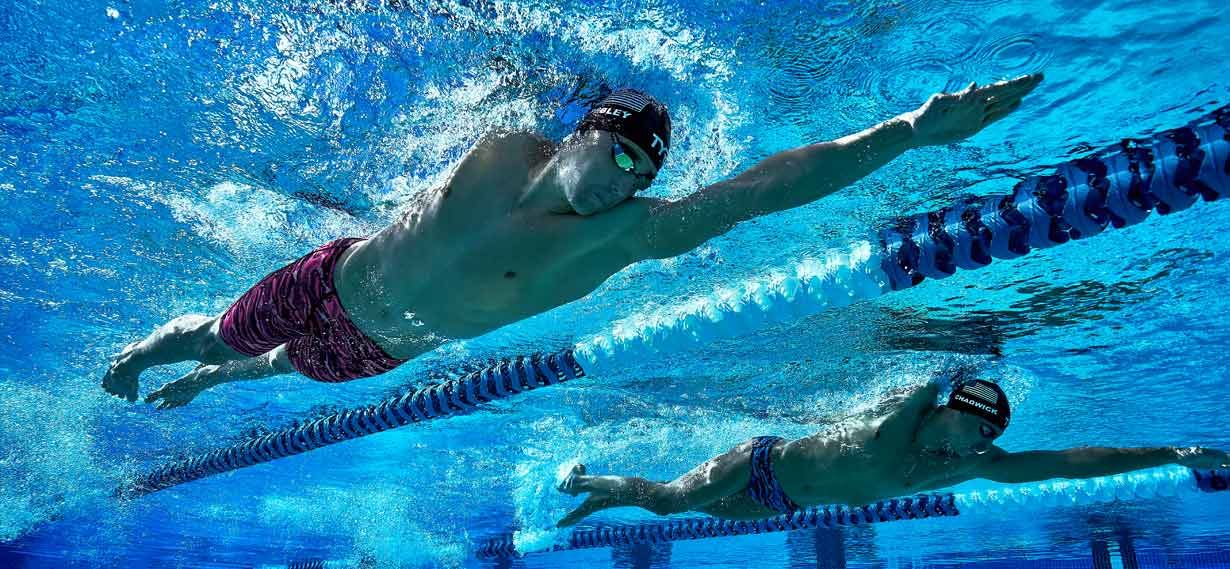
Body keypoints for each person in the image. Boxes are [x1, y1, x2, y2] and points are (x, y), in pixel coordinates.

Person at [104, 75, 1044, 409]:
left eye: (645, 171)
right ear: (586, 132)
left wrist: (910, 132)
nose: (632, 179)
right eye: (624, 152)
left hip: (381, 348)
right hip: (332, 277)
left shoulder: (630, 238)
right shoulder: (501, 145)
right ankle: (162, 352)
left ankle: (210, 381)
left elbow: (769, 187)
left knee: (271, 372)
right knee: (220, 334)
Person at [555, 378, 1230, 526]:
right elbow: (927, 382)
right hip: (760, 463)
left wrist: (1174, 451)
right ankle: (590, 477)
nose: (988, 445)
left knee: (682, 511)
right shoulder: (899, 422)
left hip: (784, 503)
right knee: (673, 501)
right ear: (950, 413)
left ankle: (601, 489)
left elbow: (1068, 461)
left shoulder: (968, 462)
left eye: (992, 438)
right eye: (982, 429)